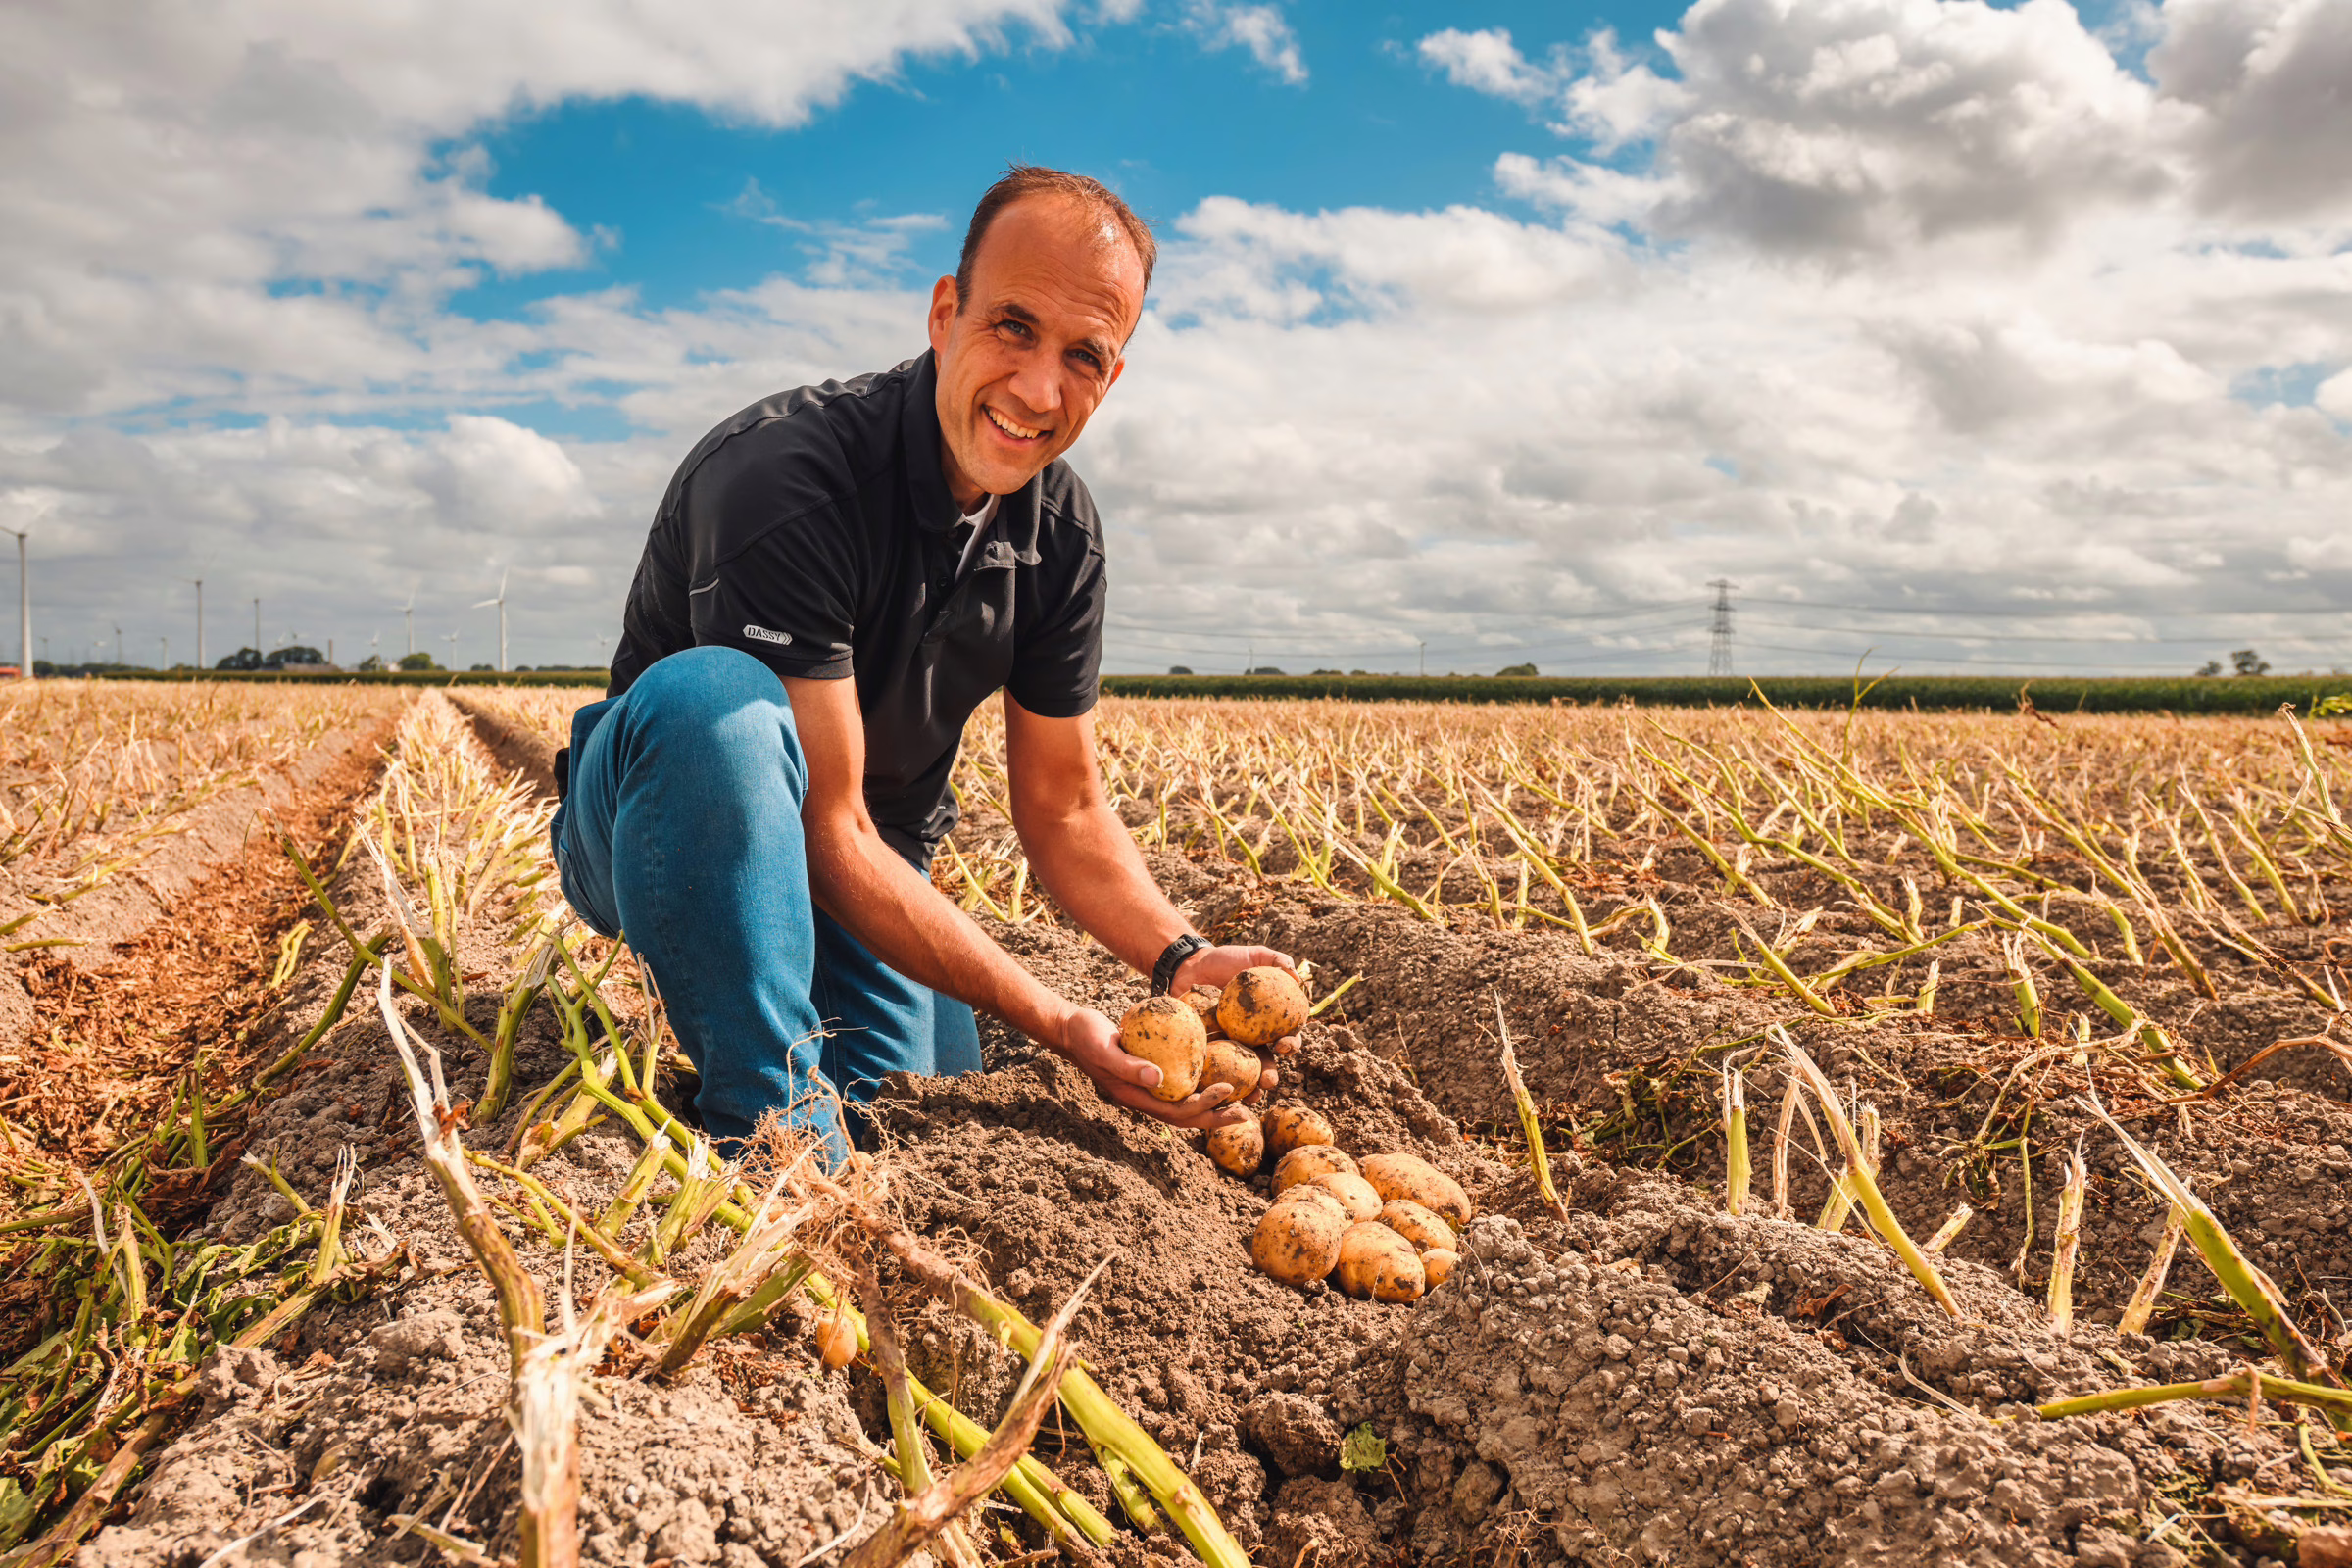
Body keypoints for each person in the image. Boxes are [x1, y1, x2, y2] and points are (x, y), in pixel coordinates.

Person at [552, 166, 1293, 1161]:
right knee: (713, 703)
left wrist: (1178, 955)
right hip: (666, 810)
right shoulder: (788, 477)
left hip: (874, 853)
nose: (1038, 388)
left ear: (1112, 376)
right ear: (946, 315)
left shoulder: (1061, 537)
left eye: (1083, 354)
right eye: (1013, 327)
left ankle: (786, 1014)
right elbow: (822, 821)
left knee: (924, 1108)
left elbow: (1067, 809)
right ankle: (762, 1121)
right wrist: (1053, 1017)